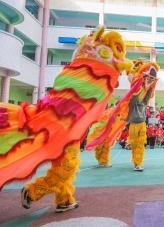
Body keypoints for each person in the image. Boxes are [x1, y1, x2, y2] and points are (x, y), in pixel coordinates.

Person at [15, 26, 133, 212]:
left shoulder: (78, 75)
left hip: (71, 126)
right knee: (67, 164)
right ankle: (33, 191)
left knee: (67, 162)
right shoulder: (82, 77)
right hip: (65, 127)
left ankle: (64, 199)